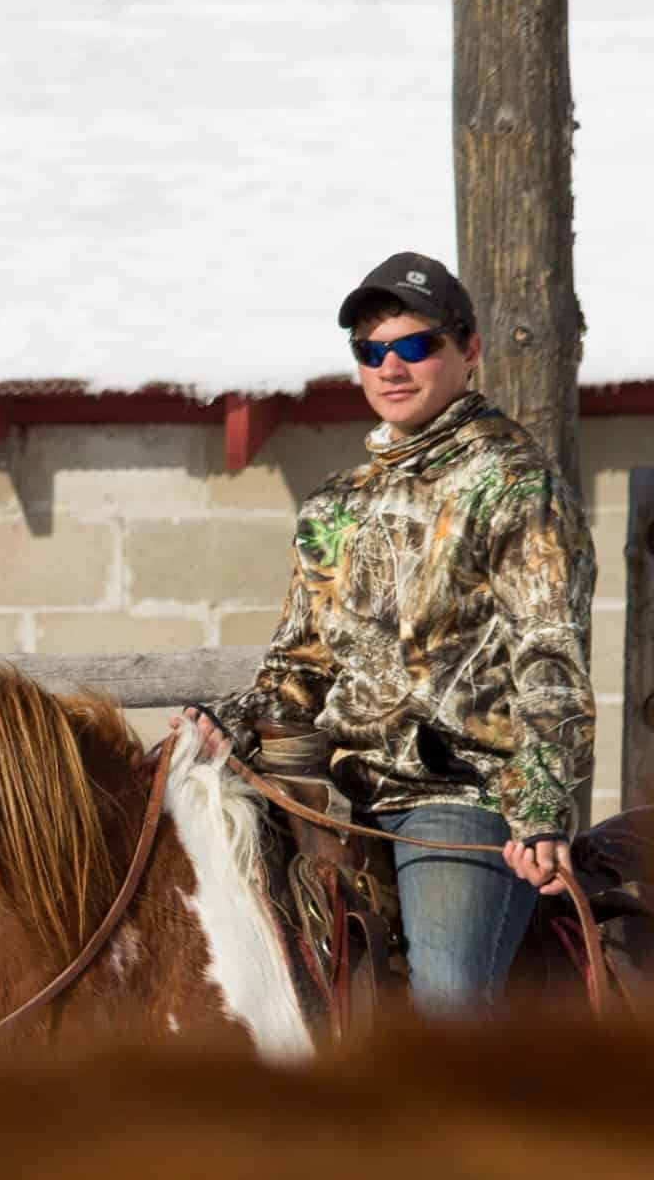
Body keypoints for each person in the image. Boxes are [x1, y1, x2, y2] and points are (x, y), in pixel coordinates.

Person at [182, 253, 596, 1014]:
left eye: (415, 345)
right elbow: (299, 664)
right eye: (371, 351)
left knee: (446, 1003)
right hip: (330, 787)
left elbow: (549, 654)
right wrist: (227, 724)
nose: (391, 367)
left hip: (455, 793)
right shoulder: (335, 504)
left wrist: (541, 807)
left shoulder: (513, 484)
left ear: (470, 350)